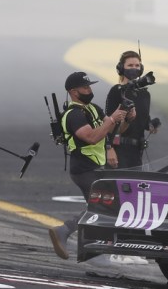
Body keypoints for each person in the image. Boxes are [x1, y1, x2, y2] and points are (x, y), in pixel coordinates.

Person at [48, 71, 129, 260]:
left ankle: (86, 243)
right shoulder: (74, 115)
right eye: (85, 87)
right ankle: (67, 232)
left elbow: (113, 130)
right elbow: (92, 138)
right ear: (73, 91)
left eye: (89, 86)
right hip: (83, 169)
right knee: (102, 205)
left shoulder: (92, 109)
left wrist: (126, 117)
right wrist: (111, 119)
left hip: (93, 167)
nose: (89, 90)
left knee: (101, 207)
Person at [105, 50, 159, 170]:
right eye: (130, 65)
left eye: (137, 65)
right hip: (118, 150)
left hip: (136, 152)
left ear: (141, 68)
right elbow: (107, 123)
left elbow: (143, 121)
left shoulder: (145, 94)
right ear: (121, 68)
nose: (134, 68)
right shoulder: (117, 91)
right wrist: (109, 149)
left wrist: (151, 125)